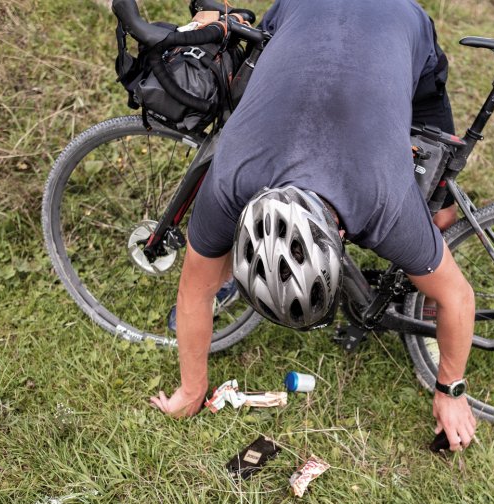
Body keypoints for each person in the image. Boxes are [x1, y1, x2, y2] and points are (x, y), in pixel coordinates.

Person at [150, 0, 477, 452]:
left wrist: (451, 391)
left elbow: (458, 295)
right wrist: (192, 391)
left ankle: (436, 234)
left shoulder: (382, 205)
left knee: (438, 209)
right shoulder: (230, 179)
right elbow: (194, 291)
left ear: (342, 238)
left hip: (401, 17)